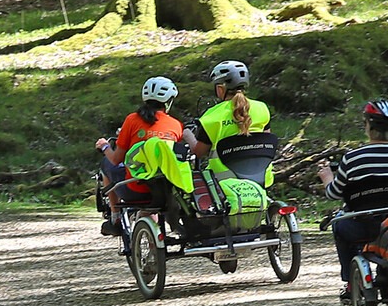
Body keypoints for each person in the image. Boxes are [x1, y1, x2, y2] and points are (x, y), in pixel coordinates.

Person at [317, 100, 388, 304]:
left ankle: (351, 282)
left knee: (340, 226)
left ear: (367, 125)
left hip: (362, 228)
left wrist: (327, 178)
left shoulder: (352, 158)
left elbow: (334, 193)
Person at [96, 76, 184, 235]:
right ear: (168, 102)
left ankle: (115, 216)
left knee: (105, 163)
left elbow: (116, 159)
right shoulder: (176, 125)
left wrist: (104, 146)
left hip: (135, 190)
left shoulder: (132, 120)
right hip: (166, 190)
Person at [184, 59, 273, 185]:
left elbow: (199, 152)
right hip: (262, 179)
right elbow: (265, 140)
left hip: (224, 182)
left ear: (220, 89)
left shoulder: (212, 116)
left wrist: (187, 135)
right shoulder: (262, 108)